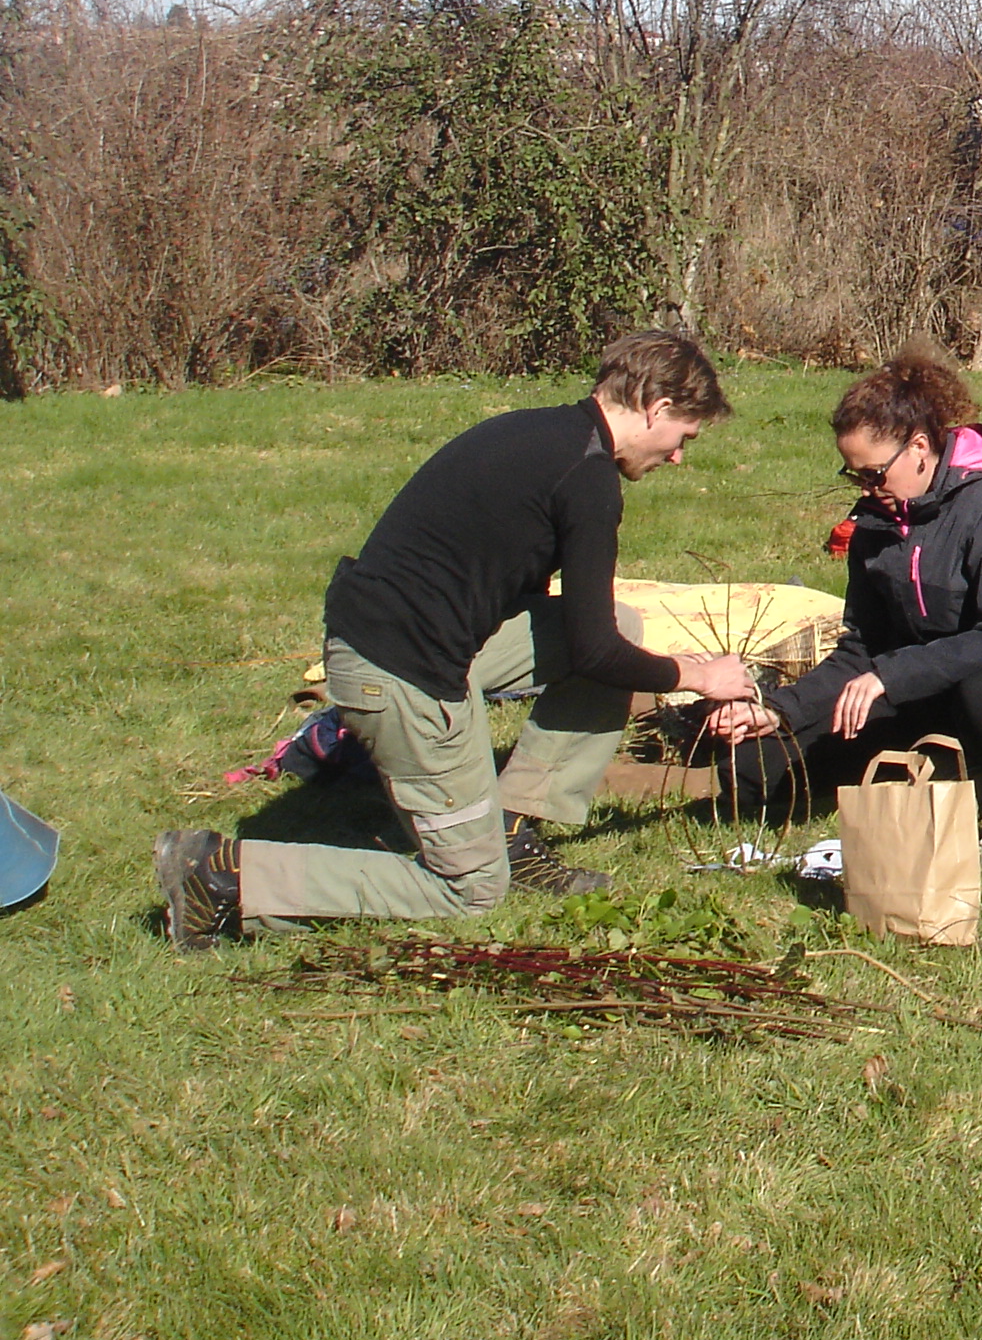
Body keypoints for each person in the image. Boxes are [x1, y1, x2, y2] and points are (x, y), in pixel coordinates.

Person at [154, 330, 758, 947]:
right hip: (401, 676)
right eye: (684, 437)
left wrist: (666, 664)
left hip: (383, 642)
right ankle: (226, 877)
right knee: (469, 891)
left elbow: (592, 633)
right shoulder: (589, 480)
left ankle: (514, 831)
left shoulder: (542, 433)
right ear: (656, 409)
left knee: (627, 624)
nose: (679, 457)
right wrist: (698, 675)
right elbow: (594, 653)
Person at [705, 351, 982, 868]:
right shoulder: (875, 523)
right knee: (752, 766)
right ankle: (921, 768)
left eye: (875, 474)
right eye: (854, 475)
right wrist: (780, 710)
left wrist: (890, 674)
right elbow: (860, 647)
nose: (867, 488)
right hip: (915, 694)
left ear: (919, 447)